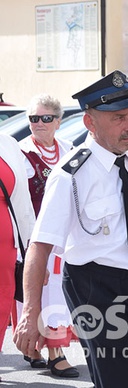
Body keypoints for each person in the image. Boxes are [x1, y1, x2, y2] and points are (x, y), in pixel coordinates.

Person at [13, 70, 128, 388]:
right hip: (96, 286)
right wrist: (31, 312)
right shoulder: (70, 174)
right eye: (119, 117)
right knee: (119, 381)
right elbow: (39, 246)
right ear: (89, 123)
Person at [18, 94, 79, 378]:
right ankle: (51, 353)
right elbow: (19, 202)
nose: (38, 124)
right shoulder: (20, 153)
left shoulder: (69, 150)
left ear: (58, 120)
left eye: (45, 118)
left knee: (58, 292)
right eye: (33, 118)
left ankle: (41, 348)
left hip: (63, 235)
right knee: (38, 293)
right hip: (35, 236)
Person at [0, 134, 36, 384]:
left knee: (2, 300)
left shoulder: (8, 143)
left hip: (5, 245)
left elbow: (22, 202)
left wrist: (32, 249)